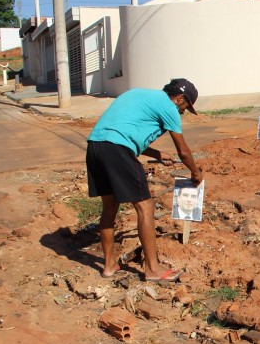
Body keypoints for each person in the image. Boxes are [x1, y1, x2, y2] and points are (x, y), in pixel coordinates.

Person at [86, 78, 203, 282]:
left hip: (95, 147)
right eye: (186, 106)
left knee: (109, 207)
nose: (183, 112)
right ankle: (152, 269)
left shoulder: (140, 94)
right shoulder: (169, 107)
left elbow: (125, 132)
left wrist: (157, 154)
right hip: (117, 149)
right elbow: (183, 151)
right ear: (179, 98)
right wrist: (195, 172)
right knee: (145, 206)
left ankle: (108, 266)